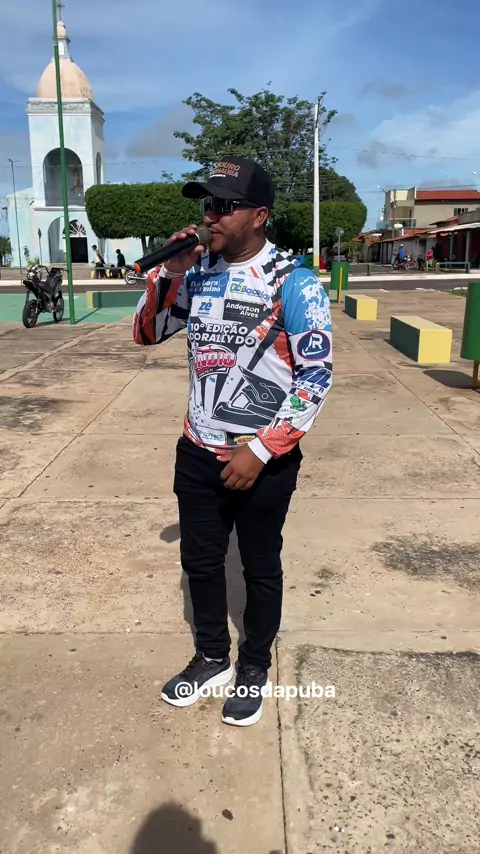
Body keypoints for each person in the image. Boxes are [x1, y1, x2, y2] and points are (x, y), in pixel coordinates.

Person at [132, 155, 333, 727]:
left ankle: (253, 666)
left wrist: (262, 449)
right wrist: (170, 275)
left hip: (263, 459)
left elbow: (315, 378)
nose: (210, 216)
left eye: (224, 206)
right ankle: (212, 657)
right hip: (197, 448)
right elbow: (147, 334)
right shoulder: (197, 274)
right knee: (200, 562)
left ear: (259, 215)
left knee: (260, 567)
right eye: (207, 204)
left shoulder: (293, 282)